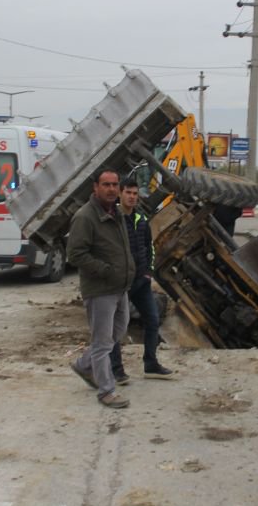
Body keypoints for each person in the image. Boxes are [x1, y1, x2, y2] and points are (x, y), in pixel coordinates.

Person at [66, 169, 135, 409]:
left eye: (115, 184)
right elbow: (75, 254)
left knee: (117, 333)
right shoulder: (85, 217)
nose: (111, 189)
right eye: (106, 184)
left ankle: (84, 365)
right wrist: (104, 270)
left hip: (120, 287)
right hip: (100, 289)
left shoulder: (116, 212)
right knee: (102, 341)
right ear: (95, 187)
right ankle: (106, 391)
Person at [110, 178, 176, 382]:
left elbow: (150, 247)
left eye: (135, 193)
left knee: (153, 319)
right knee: (117, 327)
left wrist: (148, 271)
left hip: (142, 281)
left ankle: (151, 363)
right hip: (122, 283)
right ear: (120, 194)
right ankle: (116, 369)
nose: (132, 197)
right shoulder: (113, 219)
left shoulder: (141, 219)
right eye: (128, 192)